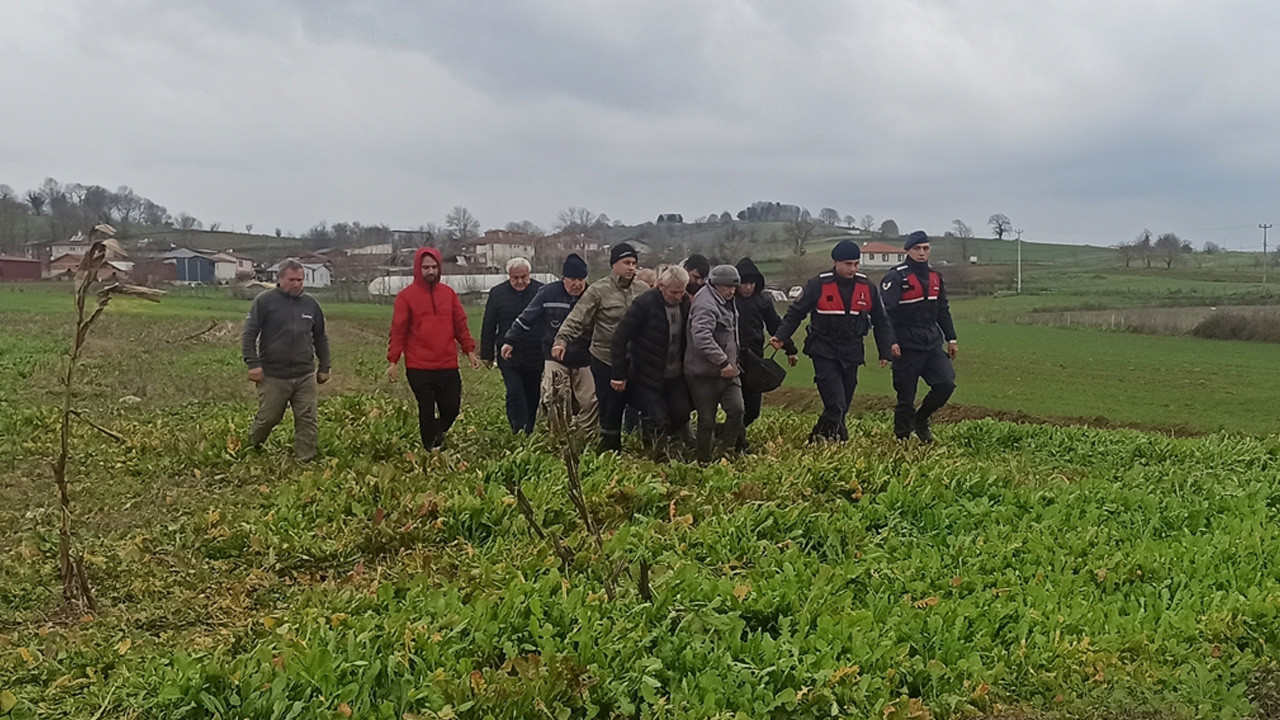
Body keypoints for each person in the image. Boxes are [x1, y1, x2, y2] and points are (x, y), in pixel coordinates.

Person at [771, 240, 899, 443]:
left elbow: (881, 320)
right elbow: (796, 313)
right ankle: (839, 437)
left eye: (856, 264)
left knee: (843, 404)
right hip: (824, 349)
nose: (853, 269)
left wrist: (885, 350)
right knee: (836, 404)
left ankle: (819, 437)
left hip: (852, 351)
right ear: (836, 262)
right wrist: (781, 336)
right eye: (848, 264)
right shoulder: (818, 284)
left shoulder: (867, 287)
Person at [553, 241, 649, 452]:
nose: (631, 267)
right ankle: (609, 453)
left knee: (647, 405)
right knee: (610, 410)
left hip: (636, 359)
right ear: (614, 264)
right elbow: (577, 319)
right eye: (626, 262)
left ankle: (650, 449)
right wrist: (562, 341)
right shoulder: (598, 291)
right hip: (605, 358)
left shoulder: (643, 290)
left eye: (634, 263)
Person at [386, 246, 480, 450]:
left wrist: (469, 351)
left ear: (439, 268)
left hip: (447, 363)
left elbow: (460, 325)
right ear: (417, 269)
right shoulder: (406, 297)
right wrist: (393, 361)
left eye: (434, 267)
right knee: (426, 407)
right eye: (426, 267)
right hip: (419, 366)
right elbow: (398, 330)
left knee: (452, 409)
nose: (430, 271)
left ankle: (436, 434)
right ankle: (430, 448)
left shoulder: (448, 294)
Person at [241, 259, 331, 461]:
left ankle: (304, 459)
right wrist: (253, 364)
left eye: (300, 279)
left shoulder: (311, 304)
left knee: (307, 418)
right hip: (274, 375)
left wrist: (324, 366)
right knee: (268, 418)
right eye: (292, 279)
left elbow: (320, 337)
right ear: (280, 278)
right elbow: (249, 334)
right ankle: (251, 449)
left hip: (304, 374)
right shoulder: (264, 301)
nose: (297, 283)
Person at [503, 254, 596, 435]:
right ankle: (559, 434)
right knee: (556, 395)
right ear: (564, 279)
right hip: (554, 356)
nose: (577, 284)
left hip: (585, 357)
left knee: (589, 400)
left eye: (581, 279)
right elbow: (526, 318)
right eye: (572, 279)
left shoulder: (592, 295)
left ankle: (586, 436)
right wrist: (510, 340)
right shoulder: (548, 293)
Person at [879, 231, 958, 443]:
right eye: (917, 249)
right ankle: (902, 439)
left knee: (946, 384)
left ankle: (922, 419)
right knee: (906, 398)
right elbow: (885, 314)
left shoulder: (935, 277)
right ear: (908, 251)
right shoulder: (895, 277)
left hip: (931, 343)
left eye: (925, 248)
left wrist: (951, 338)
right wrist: (890, 342)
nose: (922, 253)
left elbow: (943, 309)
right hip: (905, 346)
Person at [610, 264, 693, 456]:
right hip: (647, 374)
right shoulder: (644, 304)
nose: (679, 296)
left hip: (676, 373)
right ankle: (656, 455)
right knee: (658, 418)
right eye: (674, 292)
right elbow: (620, 338)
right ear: (661, 286)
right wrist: (619, 374)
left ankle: (671, 447)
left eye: (682, 291)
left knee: (682, 412)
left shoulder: (685, 302)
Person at [685, 264, 747, 462]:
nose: (731, 291)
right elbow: (701, 336)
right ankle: (703, 460)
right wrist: (722, 362)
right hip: (704, 373)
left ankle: (726, 452)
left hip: (729, 371)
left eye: (734, 287)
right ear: (715, 284)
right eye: (727, 287)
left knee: (737, 410)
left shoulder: (727, 300)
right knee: (707, 420)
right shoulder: (706, 304)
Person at [480, 257, 545, 434]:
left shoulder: (541, 291)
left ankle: (529, 428)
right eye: (515, 278)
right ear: (508, 276)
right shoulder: (497, 294)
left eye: (524, 277)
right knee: (515, 393)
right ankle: (518, 428)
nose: (520, 281)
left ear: (529, 275)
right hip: (508, 354)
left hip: (535, 353)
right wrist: (486, 354)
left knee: (533, 394)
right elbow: (489, 324)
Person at [734, 257, 798, 428]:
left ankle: (727, 436)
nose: (748, 287)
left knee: (752, 411)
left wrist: (790, 349)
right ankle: (735, 444)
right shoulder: (727, 300)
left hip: (754, 361)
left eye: (752, 283)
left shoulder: (763, 300)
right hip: (730, 360)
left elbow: (775, 325)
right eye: (744, 283)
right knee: (736, 409)